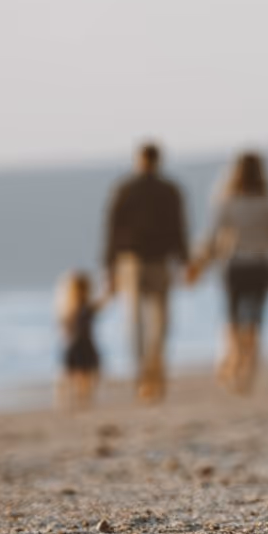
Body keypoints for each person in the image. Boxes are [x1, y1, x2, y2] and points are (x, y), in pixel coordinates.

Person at [187, 151, 268, 394]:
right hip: (261, 266)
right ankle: (248, 371)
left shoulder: (226, 201)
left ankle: (232, 360)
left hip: (234, 266)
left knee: (233, 320)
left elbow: (213, 239)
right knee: (255, 321)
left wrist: (199, 264)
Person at [102, 142, 188, 402]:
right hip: (159, 260)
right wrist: (184, 260)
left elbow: (112, 229)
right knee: (160, 321)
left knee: (136, 321)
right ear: (159, 160)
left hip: (133, 261)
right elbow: (180, 227)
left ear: (139, 160)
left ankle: (143, 373)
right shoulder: (170, 190)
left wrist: (110, 267)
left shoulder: (125, 188)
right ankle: (154, 366)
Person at [55, 270, 103, 411]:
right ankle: (70, 399)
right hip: (76, 345)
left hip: (85, 344)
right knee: (73, 375)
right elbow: (64, 327)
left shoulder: (87, 306)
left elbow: (103, 302)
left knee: (86, 375)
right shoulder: (71, 308)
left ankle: (83, 398)